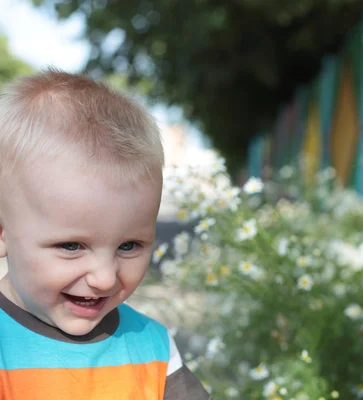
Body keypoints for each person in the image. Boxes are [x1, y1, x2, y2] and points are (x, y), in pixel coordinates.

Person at [0, 70, 211, 399]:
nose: (104, 278)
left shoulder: (152, 350)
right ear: (3, 232)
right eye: (72, 246)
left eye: (129, 246)